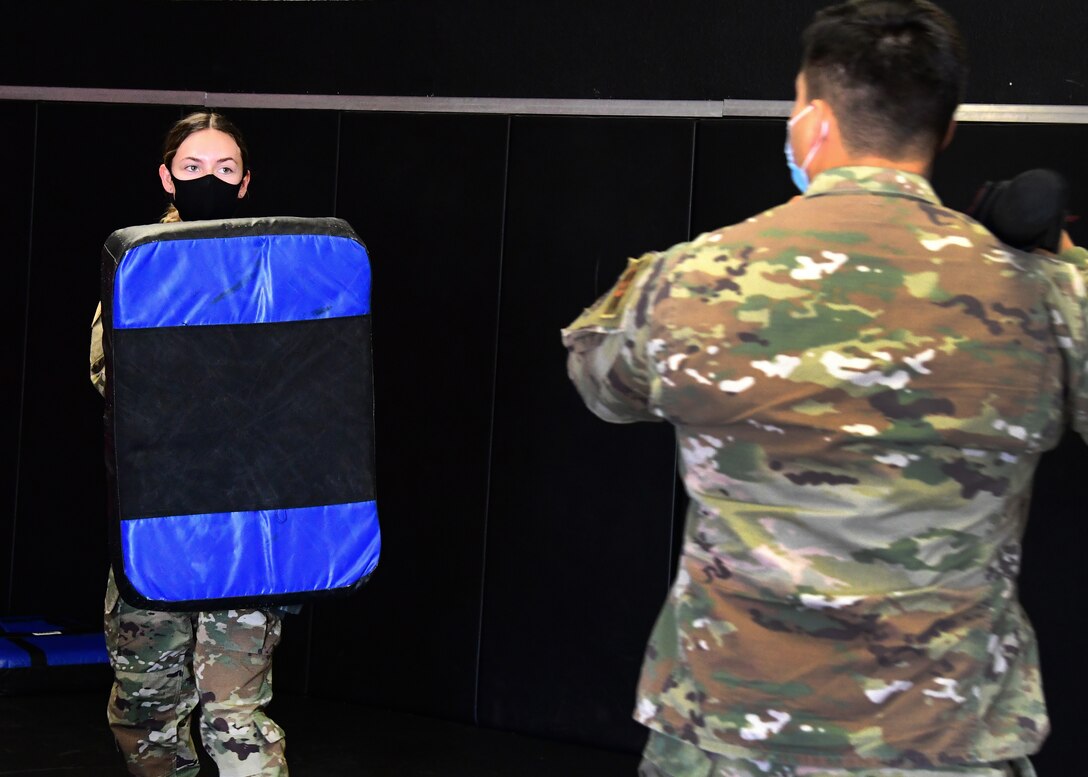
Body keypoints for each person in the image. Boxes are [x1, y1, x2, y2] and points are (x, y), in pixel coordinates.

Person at [562, 2, 1087, 776]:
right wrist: (1066, 264)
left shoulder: (694, 277)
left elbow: (599, 383)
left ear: (810, 119)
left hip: (728, 736)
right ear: (944, 131)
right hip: (944, 742)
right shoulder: (1044, 299)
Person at [90, 112, 289, 777]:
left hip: (244, 522)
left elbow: (314, 382)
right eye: (195, 166)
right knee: (148, 706)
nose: (209, 178)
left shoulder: (275, 265)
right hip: (157, 518)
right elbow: (106, 373)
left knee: (236, 712)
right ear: (167, 175)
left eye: (225, 169)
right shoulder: (137, 262)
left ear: (246, 182)